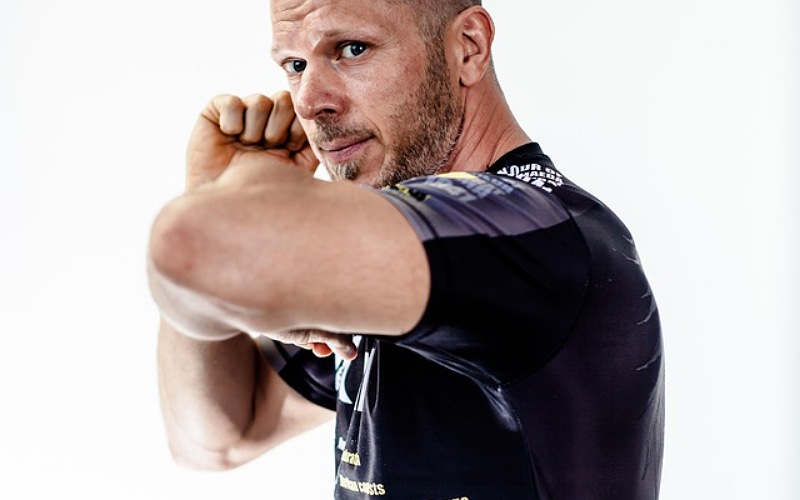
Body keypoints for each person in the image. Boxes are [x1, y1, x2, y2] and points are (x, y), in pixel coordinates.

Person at [147, 0, 665, 498]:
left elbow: (193, 245)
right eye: (295, 65)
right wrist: (212, 196)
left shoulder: (530, 233)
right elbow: (215, 437)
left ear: (468, 47)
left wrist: (230, 210)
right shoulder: (406, 253)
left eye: (352, 49)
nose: (308, 102)